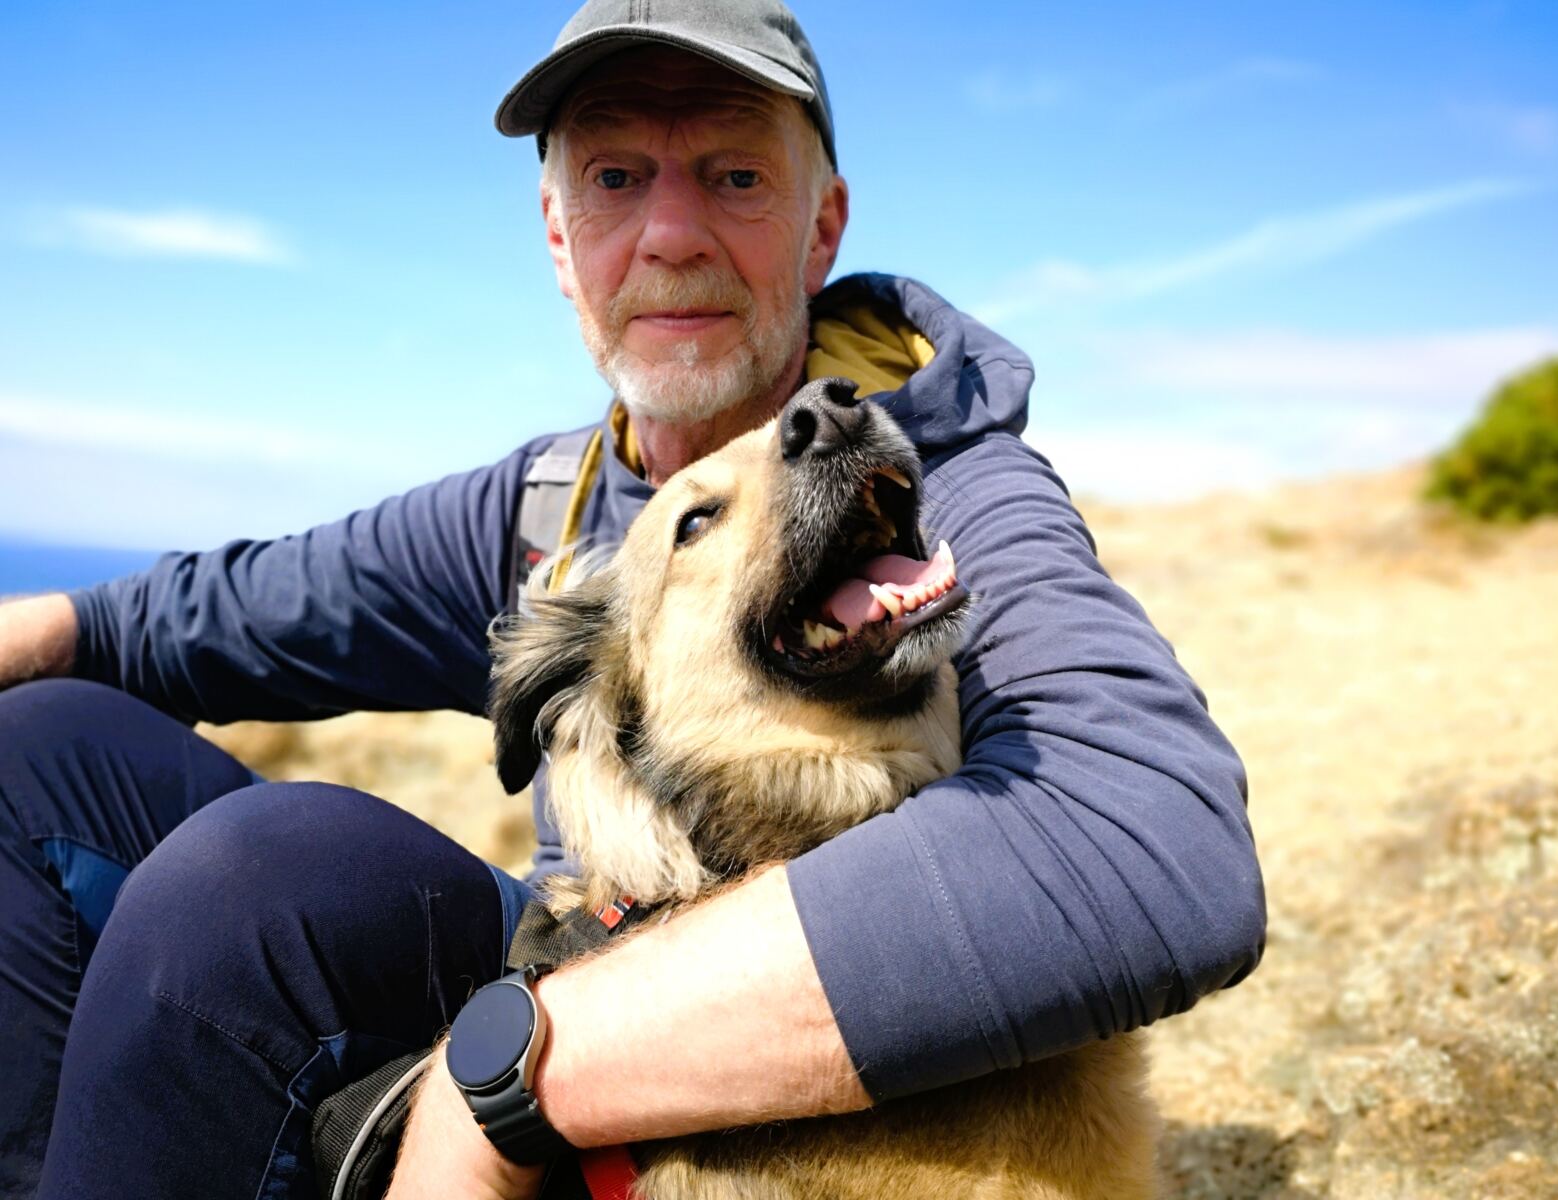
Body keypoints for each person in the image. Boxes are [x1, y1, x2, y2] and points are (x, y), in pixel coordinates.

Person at [0, 2, 1268, 1197]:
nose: (670, 235)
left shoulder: (944, 484)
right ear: (562, 239)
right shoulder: (548, 504)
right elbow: (210, 618)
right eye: (614, 178)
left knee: (258, 882)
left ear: (821, 226)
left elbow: (1157, 851)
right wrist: (51, 628)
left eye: (734, 175)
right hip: (567, 962)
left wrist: (505, 1085)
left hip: (659, 1073)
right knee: (37, 749)